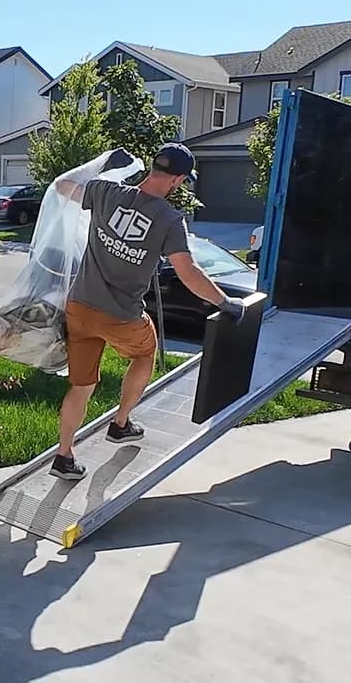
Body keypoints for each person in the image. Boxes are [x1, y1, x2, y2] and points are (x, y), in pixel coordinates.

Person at [50, 143, 245, 482]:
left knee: (81, 386)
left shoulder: (105, 191)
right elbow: (189, 273)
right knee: (144, 353)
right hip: (120, 316)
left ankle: (64, 457)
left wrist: (96, 169)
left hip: (79, 307)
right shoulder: (170, 220)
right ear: (178, 180)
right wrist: (225, 303)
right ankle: (121, 424)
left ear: (153, 168)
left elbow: (62, 186)